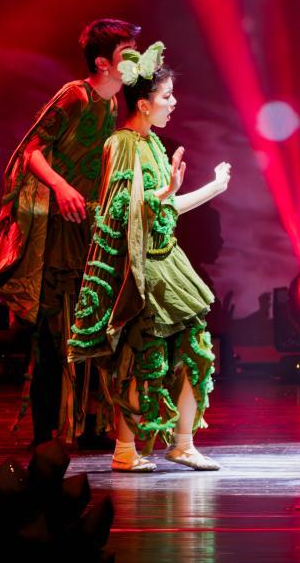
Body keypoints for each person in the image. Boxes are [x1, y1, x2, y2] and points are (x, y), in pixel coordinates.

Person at [66, 43, 232, 472]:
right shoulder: (122, 144)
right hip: (141, 267)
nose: (173, 103)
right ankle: (125, 450)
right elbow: (120, 209)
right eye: (166, 96)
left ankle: (182, 443)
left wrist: (212, 188)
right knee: (142, 356)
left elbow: (165, 207)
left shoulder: (152, 143)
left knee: (195, 347)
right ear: (143, 103)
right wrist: (163, 193)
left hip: (168, 259)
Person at [0, 18, 140, 447]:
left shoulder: (111, 104)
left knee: (88, 325)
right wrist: (60, 186)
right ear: (103, 63)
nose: (136, 59)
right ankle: (44, 433)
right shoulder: (75, 95)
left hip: (86, 225)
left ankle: (86, 425)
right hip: (58, 231)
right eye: (127, 53)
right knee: (53, 332)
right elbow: (31, 150)